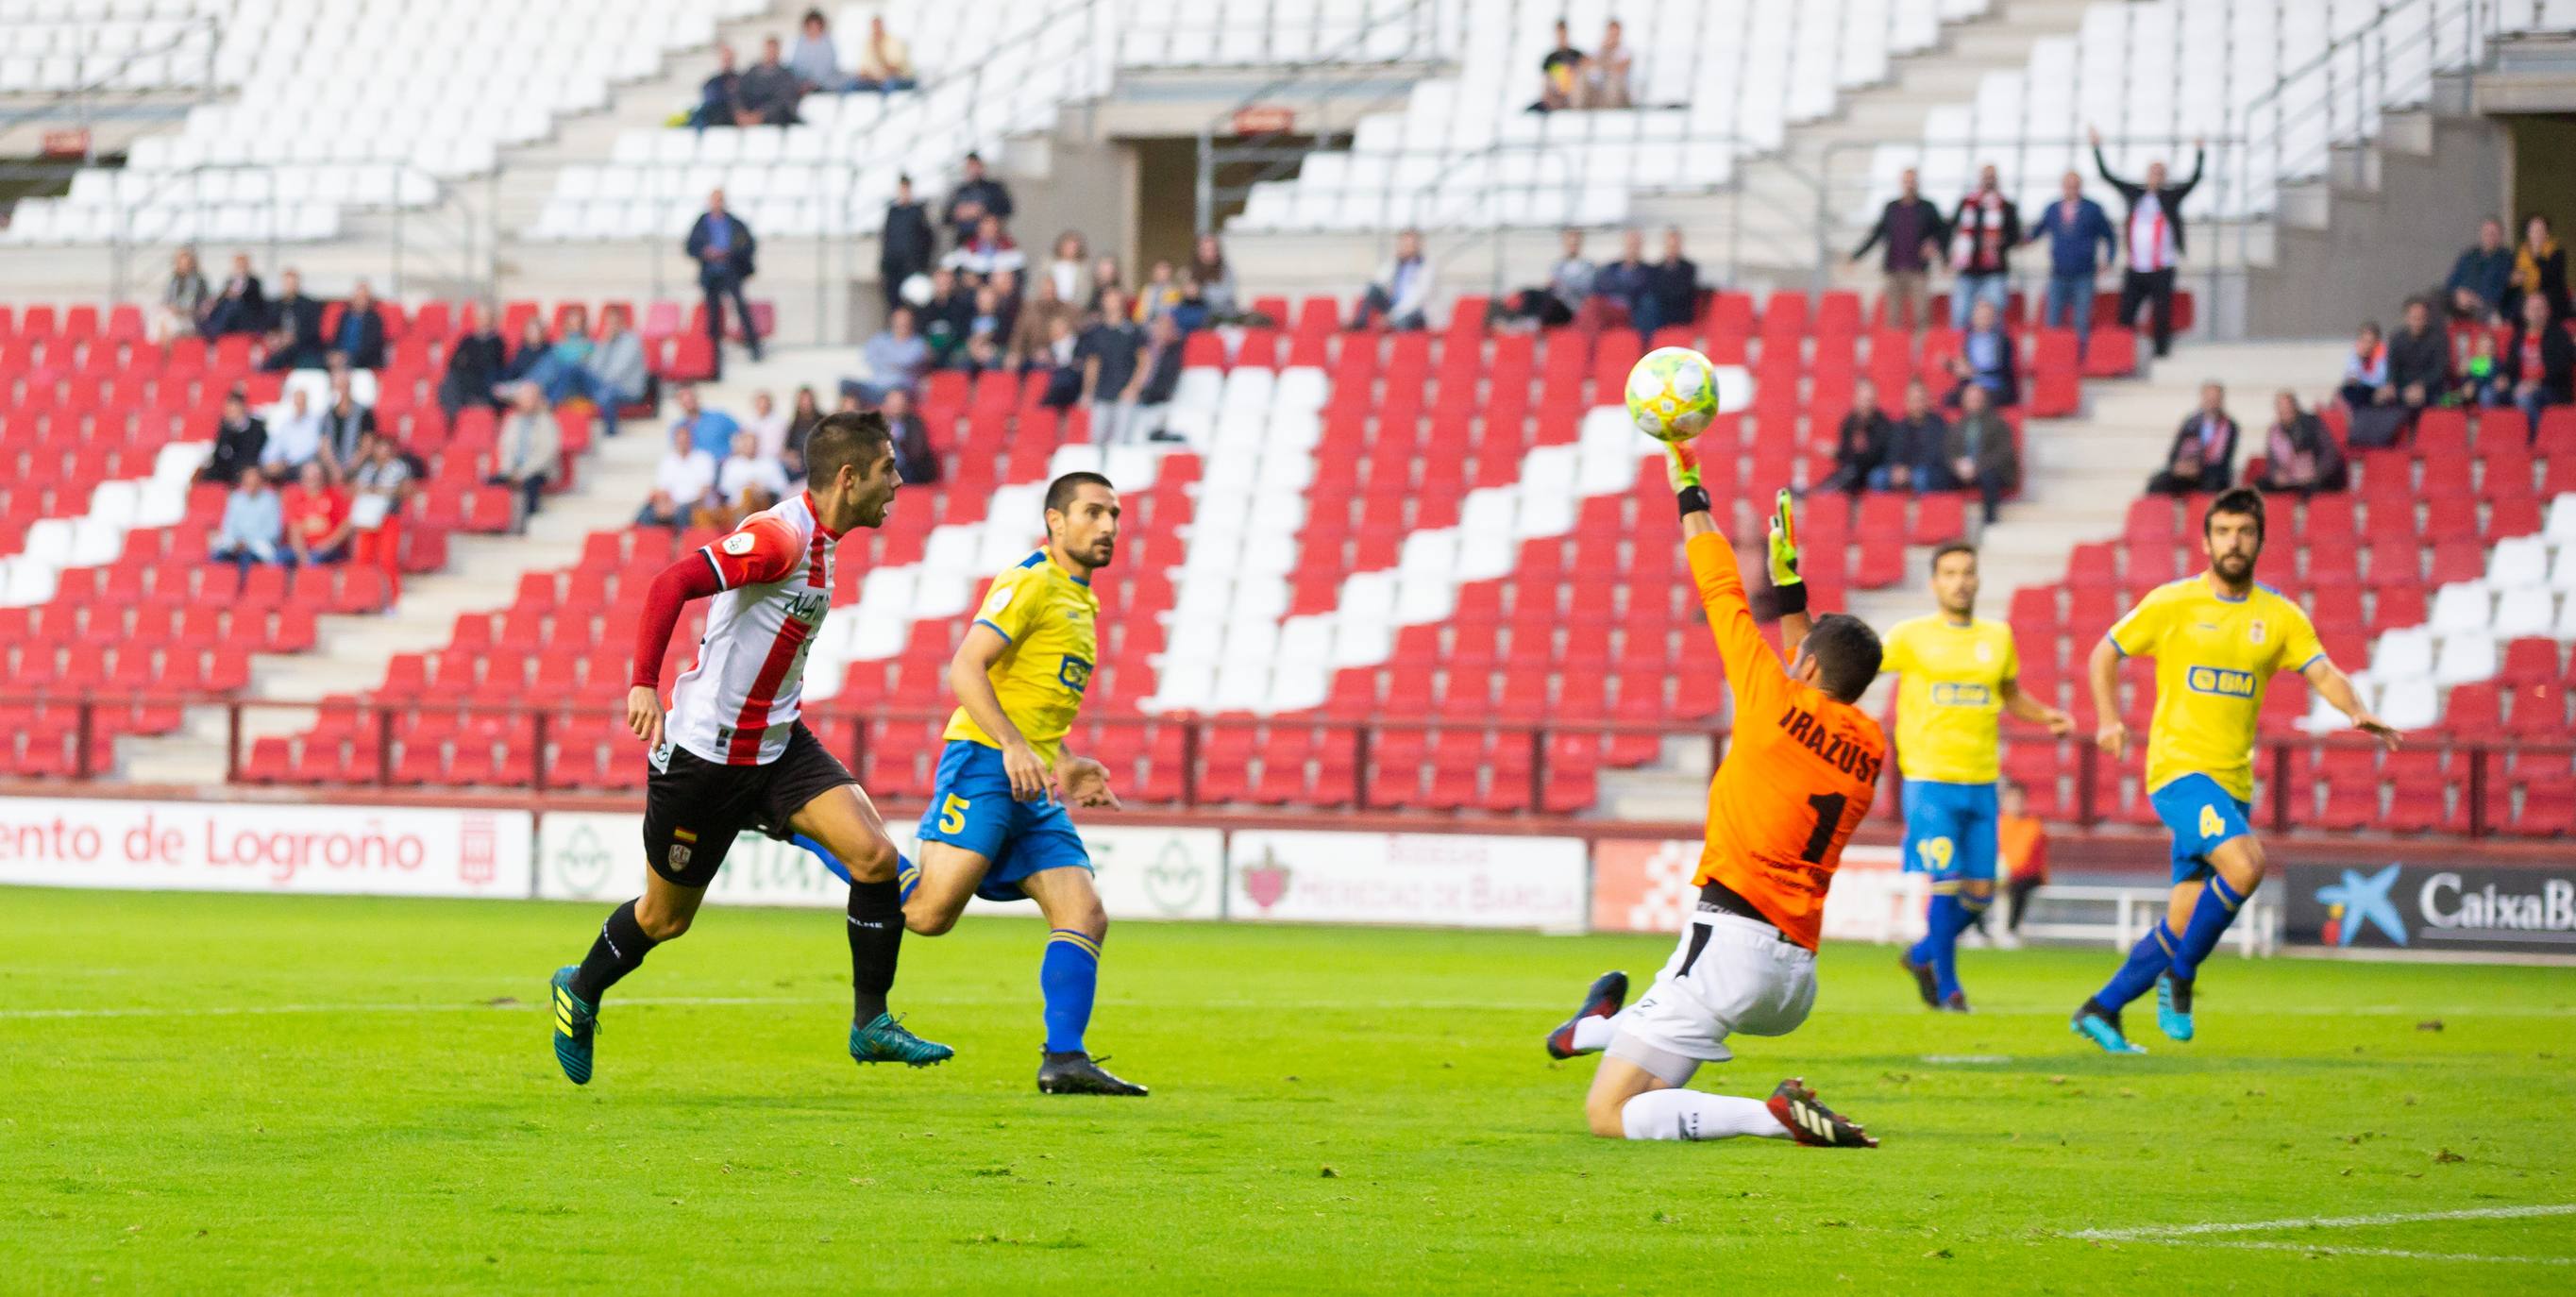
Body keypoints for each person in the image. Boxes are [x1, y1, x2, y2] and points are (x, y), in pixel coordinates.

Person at [547, 412, 952, 1086]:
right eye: (887, 470)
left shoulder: (824, 543)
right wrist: (643, 684)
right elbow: (670, 583)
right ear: (848, 478)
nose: (898, 481)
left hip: (779, 745)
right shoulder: (779, 537)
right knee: (664, 919)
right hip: (705, 759)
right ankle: (580, 988)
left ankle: (871, 1024)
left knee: (876, 859)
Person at [1544, 467, 1885, 1148]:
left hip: (1728, 947)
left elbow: (1719, 585)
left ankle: (1772, 1116)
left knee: (1608, 1115)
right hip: (1792, 981)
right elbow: (1814, 671)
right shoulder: (1869, 746)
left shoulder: (1770, 696)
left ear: (1806, 668)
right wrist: (1793, 596)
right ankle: (1589, 1032)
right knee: (1653, 1089)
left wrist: (1686, 481)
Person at [823, 470, 1141, 1096]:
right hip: (984, 762)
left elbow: (1032, 703)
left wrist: (1066, 762)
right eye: (1093, 512)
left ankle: (1065, 1060)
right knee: (927, 914)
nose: (1107, 526)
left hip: (1031, 782)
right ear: (1055, 521)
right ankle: (807, 826)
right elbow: (966, 668)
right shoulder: (1030, 581)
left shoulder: (1080, 598)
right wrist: (1016, 746)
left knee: (1084, 912)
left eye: (1114, 515)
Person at [2073, 488, 2399, 1053]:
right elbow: (2104, 653)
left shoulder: (2278, 616)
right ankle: (2181, 978)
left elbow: (2322, 670)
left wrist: (2354, 709)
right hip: (2178, 773)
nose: (2233, 542)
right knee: (2246, 866)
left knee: (2182, 921)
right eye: (2223, 531)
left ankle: (2100, 1008)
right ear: (2205, 541)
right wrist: (2108, 718)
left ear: (2260, 542)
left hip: (2232, 784)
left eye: (2244, 532)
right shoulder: (2172, 603)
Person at [1883, 542, 2074, 1012]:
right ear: (1934, 583)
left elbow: (2011, 694)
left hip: (1982, 782)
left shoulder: (1998, 637)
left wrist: (2043, 714)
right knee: (1945, 884)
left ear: (1978, 579)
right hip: (1930, 781)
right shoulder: (1910, 636)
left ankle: (1923, 956)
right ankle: (1950, 990)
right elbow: (1862, 666)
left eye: (1967, 572)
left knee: (1980, 897)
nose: (1960, 581)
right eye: (1949, 573)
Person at [2092, 129, 2206, 359]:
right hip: (2136, 268)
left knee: (2162, 313)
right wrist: (2097, 148)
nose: (2156, 176)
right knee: (2125, 315)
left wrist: (2199, 153)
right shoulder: (2135, 193)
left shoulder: (2171, 197)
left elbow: (2195, 179)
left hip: (2162, 267)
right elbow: (2108, 176)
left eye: (2160, 172)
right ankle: (2121, 357)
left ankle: (2161, 354)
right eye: (2153, 171)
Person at [2025, 170, 2115, 355]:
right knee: (2052, 320)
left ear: (2080, 186)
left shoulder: (2093, 209)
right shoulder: (2052, 208)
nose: (2071, 188)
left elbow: (2110, 236)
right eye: (2068, 184)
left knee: (2081, 321)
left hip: (2084, 275)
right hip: (2058, 273)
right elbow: (2037, 231)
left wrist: (2109, 260)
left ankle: (2078, 359)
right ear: (2063, 186)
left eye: (2075, 184)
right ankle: (2053, 357)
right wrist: (2016, 240)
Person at [1854, 168, 1947, 331]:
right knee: (1893, 317)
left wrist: (1936, 247)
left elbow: (1943, 231)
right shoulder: (1891, 208)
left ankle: (1922, 351)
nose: (1909, 185)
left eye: (1912, 181)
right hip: (1894, 268)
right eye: (1906, 181)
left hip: (1918, 269)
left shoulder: (1928, 208)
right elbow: (1877, 233)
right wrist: (1857, 255)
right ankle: (1895, 351)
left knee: (1922, 315)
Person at [684, 189, 762, 375]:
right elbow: (691, 245)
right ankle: (713, 353)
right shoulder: (702, 223)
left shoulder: (734, 223)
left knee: (740, 307)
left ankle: (753, 346)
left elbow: (747, 244)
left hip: (730, 270)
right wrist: (706, 252)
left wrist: (729, 253)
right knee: (713, 314)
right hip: (711, 273)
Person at [1947, 164, 2020, 331]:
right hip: (1967, 270)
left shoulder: (2006, 206)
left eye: (1992, 176)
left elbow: (2015, 236)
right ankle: (1960, 355)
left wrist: (2003, 242)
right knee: (1960, 316)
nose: (1988, 179)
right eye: (1986, 176)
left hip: (1994, 271)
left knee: (1993, 318)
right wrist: (1948, 256)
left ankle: (1993, 354)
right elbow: (1953, 229)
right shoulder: (1966, 203)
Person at [344, 431, 412, 595]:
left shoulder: (399, 468)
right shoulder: (368, 468)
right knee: (363, 559)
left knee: (387, 560)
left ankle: (392, 598)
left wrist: (386, 492)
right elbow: (350, 486)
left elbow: (407, 490)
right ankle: (363, 595)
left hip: (388, 516)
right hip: (368, 517)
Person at [1076, 289, 1146, 445]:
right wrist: (1087, 392)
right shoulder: (1096, 332)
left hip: (1125, 393)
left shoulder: (1133, 330)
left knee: (1122, 443)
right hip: (1102, 393)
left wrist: (1134, 387)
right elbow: (1092, 363)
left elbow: (1144, 361)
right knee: (1096, 441)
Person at [2147, 381, 2238, 495]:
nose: (2211, 402)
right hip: (2186, 472)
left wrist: (2198, 468)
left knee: (2213, 484)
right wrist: (2178, 466)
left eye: (2215, 399)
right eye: (2208, 398)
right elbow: (2174, 452)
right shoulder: (2191, 423)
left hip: (2211, 473)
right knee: (2158, 483)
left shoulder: (2229, 426)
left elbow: (2224, 460)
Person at [489, 383, 562, 523]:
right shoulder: (513, 420)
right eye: (523, 398)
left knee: (530, 483)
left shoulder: (546, 421)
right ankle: (494, 523)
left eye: (529, 398)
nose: (526, 402)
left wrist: (523, 472)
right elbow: (506, 448)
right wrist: (509, 471)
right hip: (513, 469)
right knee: (492, 483)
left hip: (538, 470)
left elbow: (546, 453)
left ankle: (530, 522)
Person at [1945, 383, 2017, 523]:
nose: (1973, 403)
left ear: (1984, 400)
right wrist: (1958, 466)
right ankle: (1946, 523)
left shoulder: (1998, 423)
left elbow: (2003, 453)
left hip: (1989, 470)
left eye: (1976, 399)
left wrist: (1976, 466)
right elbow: (1949, 452)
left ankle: (1990, 522)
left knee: (1989, 476)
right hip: (1963, 471)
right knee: (1940, 477)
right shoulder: (1957, 426)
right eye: (1970, 399)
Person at [2505, 292, 2576, 434]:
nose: (2536, 313)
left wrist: (2537, 382)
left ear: (2547, 311)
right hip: (2521, 385)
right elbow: (2510, 367)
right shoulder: (2518, 337)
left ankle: (2538, 439)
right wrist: (2503, 377)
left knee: (2524, 398)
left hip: (2551, 388)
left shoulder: (2559, 335)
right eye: (2532, 309)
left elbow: (2561, 367)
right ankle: (2503, 440)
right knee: (2488, 393)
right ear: (2525, 312)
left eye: (2540, 308)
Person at [2250, 390, 2347, 496]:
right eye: (2280, 408)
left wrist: (2315, 473)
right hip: (2290, 478)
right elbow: (2272, 463)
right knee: (2260, 486)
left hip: (2315, 477)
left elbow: (2330, 454)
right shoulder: (2275, 432)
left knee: (2311, 489)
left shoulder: (2312, 424)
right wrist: (2276, 475)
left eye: (2286, 408)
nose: (2283, 412)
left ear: (2294, 407)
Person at [1815, 377, 1892, 497]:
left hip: (1872, 470)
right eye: (1863, 399)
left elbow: (1873, 456)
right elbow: (1847, 455)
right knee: (1847, 472)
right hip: (1853, 470)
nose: (1866, 404)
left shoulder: (1883, 424)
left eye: (1869, 400)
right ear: (1856, 399)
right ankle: (1818, 492)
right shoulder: (1849, 423)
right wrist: (1838, 453)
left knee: (1859, 474)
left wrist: (1838, 452)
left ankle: (1820, 492)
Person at [1506, 227, 1594, 328]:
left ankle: (1534, 323)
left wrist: (1562, 286)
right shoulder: (1558, 265)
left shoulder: (1588, 266)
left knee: (1553, 300)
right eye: (1569, 243)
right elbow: (1550, 284)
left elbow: (1585, 289)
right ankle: (1521, 320)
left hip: (1570, 305)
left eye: (1575, 244)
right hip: (1555, 298)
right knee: (1529, 292)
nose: (1572, 246)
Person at [584, 304, 648, 434]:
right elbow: (592, 367)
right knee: (573, 372)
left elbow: (617, 372)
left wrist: (595, 385)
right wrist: (604, 344)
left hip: (627, 389)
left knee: (605, 395)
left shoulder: (631, 341)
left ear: (622, 323)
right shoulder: (605, 341)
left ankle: (611, 432)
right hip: (606, 385)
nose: (611, 326)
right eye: (608, 323)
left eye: (615, 322)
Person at [1353, 227, 1433, 330]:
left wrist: (1391, 317)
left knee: (1403, 321)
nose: (1407, 248)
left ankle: (1403, 342)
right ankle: (1360, 324)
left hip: (1413, 312)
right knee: (1373, 289)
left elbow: (1417, 299)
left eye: (1410, 245)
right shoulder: (1395, 264)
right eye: (1404, 245)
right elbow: (1378, 281)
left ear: (1418, 246)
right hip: (1394, 307)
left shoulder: (1426, 267)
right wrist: (1395, 262)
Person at [1996, 782, 2049, 939]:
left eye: (2019, 800)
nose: (2015, 804)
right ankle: (1978, 931)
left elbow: (2032, 858)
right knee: (1975, 884)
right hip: (1999, 872)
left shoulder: (2033, 825)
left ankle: (2011, 930)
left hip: (2025, 874)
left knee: (2019, 885)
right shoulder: (1996, 823)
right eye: (2012, 799)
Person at [848, 306, 931, 403]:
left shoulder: (918, 343)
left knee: (897, 394)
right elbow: (869, 358)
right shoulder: (879, 339)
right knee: (846, 387)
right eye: (899, 320)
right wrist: (894, 364)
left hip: (901, 388)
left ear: (911, 322)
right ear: (892, 321)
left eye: (905, 320)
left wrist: (885, 361)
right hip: (876, 387)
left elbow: (908, 363)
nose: (902, 323)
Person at [209, 473, 287, 578]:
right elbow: (228, 526)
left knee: (247, 559)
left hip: (259, 548)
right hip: (235, 545)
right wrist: (235, 542)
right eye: (248, 483)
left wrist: (247, 543)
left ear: (261, 483)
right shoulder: (236, 499)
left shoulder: (270, 501)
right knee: (218, 557)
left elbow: (273, 532)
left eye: (254, 483)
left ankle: (244, 589)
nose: (251, 486)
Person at [1946, 296, 2018, 408]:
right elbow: (1963, 368)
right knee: (1947, 400)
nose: (1983, 319)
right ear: (1973, 318)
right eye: (1980, 316)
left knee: (1980, 399)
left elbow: (2005, 369)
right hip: (1970, 386)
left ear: (1994, 319)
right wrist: (1951, 365)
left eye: (1987, 316)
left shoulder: (2003, 341)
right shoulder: (1968, 340)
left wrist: (1975, 372)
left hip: (1995, 387)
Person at [640, 425, 718, 527]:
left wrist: (679, 505)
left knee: (682, 512)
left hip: (695, 504)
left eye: (685, 439)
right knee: (646, 512)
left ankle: (682, 541)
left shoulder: (703, 459)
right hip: (672, 504)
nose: (683, 443)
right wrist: (664, 505)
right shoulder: (668, 461)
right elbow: (662, 489)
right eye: (680, 440)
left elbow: (705, 491)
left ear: (691, 439)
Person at [438, 308, 509, 418]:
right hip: (465, 378)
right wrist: (467, 361)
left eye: (486, 317)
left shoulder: (497, 341)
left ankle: (475, 406)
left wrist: (467, 361)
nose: (483, 320)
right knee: (449, 380)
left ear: (491, 319)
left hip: (486, 379)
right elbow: (454, 362)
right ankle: (457, 419)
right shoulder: (467, 339)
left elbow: (491, 362)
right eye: (480, 317)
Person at [1877, 379, 1946, 491]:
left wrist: (1909, 471)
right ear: (1907, 402)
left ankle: (1925, 507)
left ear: (1927, 401)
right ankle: (1887, 508)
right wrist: (1895, 468)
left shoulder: (1938, 424)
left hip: (1930, 472)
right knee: (1877, 477)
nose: (1917, 404)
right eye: (1913, 400)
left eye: (1920, 400)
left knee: (1919, 477)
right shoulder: (1899, 426)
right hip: (1904, 471)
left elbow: (1934, 456)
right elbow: (1892, 452)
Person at [880, 175, 935, 312]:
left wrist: (921, 263)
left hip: (912, 266)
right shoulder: (893, 211)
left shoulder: (917, 211)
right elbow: (887, 237)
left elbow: (927, 238)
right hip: (893, 265)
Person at [2384, 295, 2450, 411]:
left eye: (2421, 318)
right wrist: (2391, 383)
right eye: (2414, 318)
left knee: (2445, 401)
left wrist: (2421, 386)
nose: (2418, 322)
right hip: (2403, 388)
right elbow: (2392, 367)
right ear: (2407, 318)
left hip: (2430, 389)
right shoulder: (2397, 339)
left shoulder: (2438, 339)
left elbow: (2439, 370)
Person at [2447, 217, 2516, 323]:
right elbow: (2451, 283)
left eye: (2494, 233)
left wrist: (2474, 300)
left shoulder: (2506, 259)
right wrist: (2458, 294)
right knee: (2435, 301)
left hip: (2485, 306)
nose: (2490, 237)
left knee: (2491, 315)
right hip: (2459, 303)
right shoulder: (2469, 255)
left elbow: (2501, 289)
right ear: (2481, 234)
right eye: (2487, 233)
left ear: (2501, 236)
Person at [714, 429, 789, 523]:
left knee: (753, 495)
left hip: (764, 504)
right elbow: (724, 490)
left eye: (753, 444)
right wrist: (746, 485)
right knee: (747, 493)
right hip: (737, 507)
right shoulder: (731, 464)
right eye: (747, 444)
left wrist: (762, 488)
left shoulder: (770, 462)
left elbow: (781, 487)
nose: (750, 447)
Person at [1008, 274, 1080, 371]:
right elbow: (1019, 336)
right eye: (1046, 291)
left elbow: (1071, 337)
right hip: (1030, 355)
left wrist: (1050, 352)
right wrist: (1015, 353)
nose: (1048, 294)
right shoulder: (1029, 310)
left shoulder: (1068, 310)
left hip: (1058, 357)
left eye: (1051, 291)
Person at [284, 460, 350, 566]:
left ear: (323, 477)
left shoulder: (334, 496)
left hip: (329, 548)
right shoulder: (297, 498)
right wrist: (302, 555)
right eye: (308, 477)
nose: (312, 480)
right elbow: (295, 530)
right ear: (302, 479)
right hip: (304, 547)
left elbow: (346, 525)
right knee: (278, 558)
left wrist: (327, 545)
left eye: (316, 477)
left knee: (315, 559)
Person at [259, 268, 327, 371]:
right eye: (287, 283)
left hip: (303, 346)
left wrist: (293, 338)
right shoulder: (274, 305)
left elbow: (313, 331)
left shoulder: (310, 305)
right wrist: (276, 338)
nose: (290, 286)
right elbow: (267, 327)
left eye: (292, 283)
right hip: (280, 346)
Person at [1639, 227, 1698, 337]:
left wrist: (1665, 291)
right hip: (1660, 311)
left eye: (1675, 245)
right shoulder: (1655, 268)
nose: (1672, 248)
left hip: (1679, 311)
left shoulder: (1688, 268)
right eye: (1669, 245)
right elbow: (1654, 289)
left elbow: (1682, 292)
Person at [944, 152, 1015, 244]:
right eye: (969, 166)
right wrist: (959, 213)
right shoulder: (959, 191)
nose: (972, 170)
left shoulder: (994, 188)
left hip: (989, 242)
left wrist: (981, 210)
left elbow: (1006, 208)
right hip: (964, 241)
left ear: (982, 167)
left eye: (975, 165)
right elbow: (946, 218)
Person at [200, 390, 267, 486]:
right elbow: (219, 454)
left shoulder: (256, 428)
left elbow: (256, 454)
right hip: (226, 471)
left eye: (233, 408)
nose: (229, 412)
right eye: (227, 408)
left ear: (242, 407)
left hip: (248, 469)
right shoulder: (224, 428)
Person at [2510, 213, 2568, 320]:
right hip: (2526, 300)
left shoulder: (2557, 253)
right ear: (2528, 233)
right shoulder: (2520, 255)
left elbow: (2552, 278)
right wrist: (2515, 281)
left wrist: (2537, 256)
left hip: (2552, 302)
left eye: (2541, 230)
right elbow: (2514, 285)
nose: (2538, 234)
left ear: (2547, 234)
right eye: (2534, 230)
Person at [1591, 227, 1651, 327]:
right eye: (1630, 244)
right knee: (1592, 302)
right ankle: (1587, 341)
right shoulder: (1612, 267)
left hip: (1632, 309)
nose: (1632, 247)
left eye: (1635, 244)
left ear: (1640, 246)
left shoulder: (1648, 270)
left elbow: (1641, 292)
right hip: (1610, 306)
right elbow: (1600, 288)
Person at [736, 36, 802, 126]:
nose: (771, 53)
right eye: (769, 50)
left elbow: (783, 100)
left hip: (774, 119)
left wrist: (761, 115)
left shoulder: (786, 75)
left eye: (773, 50)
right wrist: (740, 112)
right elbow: (738, 93)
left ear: (778, 52)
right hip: (748, 116)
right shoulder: (751, 73)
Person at [261, 388, 324, 481]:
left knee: (310, 469)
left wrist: (289, 462)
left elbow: (314, 448)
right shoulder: (286, 425)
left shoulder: (316, 421)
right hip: (286, 466)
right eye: (297, 401)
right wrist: (270, 462)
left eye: (302, 401)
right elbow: (273, 448)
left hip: (306, 464)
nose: (299, 405)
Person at [318, 370, 375, 472]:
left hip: (358, 465)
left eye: (345, 385)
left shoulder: (364, 413)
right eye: (339, 386)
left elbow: (367, 444)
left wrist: (351, 467)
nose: (342, 389)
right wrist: (334, 468)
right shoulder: (328, 415)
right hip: (333, 467)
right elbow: (324, 445)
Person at [881, 386, 938, 485]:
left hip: (912, 469)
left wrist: (899, 439)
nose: (895, 405)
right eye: (892, 402)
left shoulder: (914, 422)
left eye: (898, 401)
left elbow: (916, 452)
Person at [668, 382, 741, 460]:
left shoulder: (719, 418)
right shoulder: (678, 429)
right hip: (695, 470)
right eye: (682, 396)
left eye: (690, 395)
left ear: (697, 397)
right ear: (677, 401)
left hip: (723, 467)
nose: (687, 399)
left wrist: (734, 455)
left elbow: (744, 435)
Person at [152, 248, 210, 345]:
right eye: (181, 263)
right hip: (174, 316)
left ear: (192, 264)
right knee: (161, 319)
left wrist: (183, 310)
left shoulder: (200, 281)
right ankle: (165, 353)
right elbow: (166, 300)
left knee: (166, 325)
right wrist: (171, 308)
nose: (183, 266)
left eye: (186, 263)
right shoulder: (174, 280)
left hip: (191, 318)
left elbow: (203, 306)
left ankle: (166, 356)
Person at [201, 252, 266, 337]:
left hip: (245, 313)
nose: (240, 267)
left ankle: (216, 330)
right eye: (238, 265)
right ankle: (210, 328)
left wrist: (234, 295)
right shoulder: (229, 280)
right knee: (208, 307)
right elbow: (221, 297)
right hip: (230, 314)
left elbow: (252, 299)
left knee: (233, 304)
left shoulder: (254, 281)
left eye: (242, 264)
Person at [789, 8, 850, 93]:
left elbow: (827, 67)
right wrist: (804, 82)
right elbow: (796, 65)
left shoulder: (828, 43)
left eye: (816, 26)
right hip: (802, 84)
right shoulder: (800, 42)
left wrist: (814, 83)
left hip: (824, 84)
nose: (813, 29)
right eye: (811, 26)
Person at [331, 278, 388, 370]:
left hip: (363, 359)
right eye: (358, 297)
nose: (360, 300)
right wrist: (333, 353)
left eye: (363, 297)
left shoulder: (374, 318)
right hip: (342, 357)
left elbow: (371, 346)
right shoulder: (345, 316)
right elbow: (337, 339)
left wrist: (347, 356)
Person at [852, 15, 916, 92]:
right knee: (852, 84)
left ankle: (887, 103)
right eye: (873, 27)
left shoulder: (894, 42)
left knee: (888, 84)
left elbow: (894, 70)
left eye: (877, 26)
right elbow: (863, 70)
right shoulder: (868, 43)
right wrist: (870, 76)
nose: (876, 30)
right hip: (876, 80)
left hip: (901, 79)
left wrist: (878, 52)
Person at [1580, 18, 1632, 109]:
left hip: (1617, 93)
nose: (1613, 36)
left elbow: (1620, 68)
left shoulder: (1625, 51)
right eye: (1611, 33)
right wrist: (1603, 51)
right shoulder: (1600, 49)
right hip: (1598, 90)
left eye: (1615, 34)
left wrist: (1602, 63)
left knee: (1613, 80)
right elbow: (1584, 63)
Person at [693, 43, 746, 128]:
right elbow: (713, 103)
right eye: (725, 59)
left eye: (730, 59)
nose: (728, 62)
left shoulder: (742, 80)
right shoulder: (711, 83)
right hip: (719, 124)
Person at [1536, 19, 1583, 112]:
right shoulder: (1550, 58)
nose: (1561, 37)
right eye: (1559, 34)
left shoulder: (1576, 54)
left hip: (1574, 94)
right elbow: (1545, 81)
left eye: (1563, 34)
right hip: (1557, 94)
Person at [2337, 322, 2387, 410]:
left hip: (2375, 390)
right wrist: (2360, 359)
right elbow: (2351, 376)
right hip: (2360, 389)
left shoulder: (2381, 355)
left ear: (2377, 343)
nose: (2367, 345)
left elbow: (2379, 380)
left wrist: (2361, 378)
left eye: (2370, 342)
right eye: (2364, 341)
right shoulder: (2356, 353)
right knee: (2346, 391)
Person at [1191, 233, 1238, 322]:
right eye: (1205, 250)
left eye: (1212, 249)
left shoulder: (1226, 271)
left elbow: (1227, 295)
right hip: (1196, 318)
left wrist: (1200, 293)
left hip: (1223, 317)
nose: (1209, 253)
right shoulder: (1191, 271)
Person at [783, 385, 824, 478]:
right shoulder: (794, 424)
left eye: (808, 399)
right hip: (798, 466)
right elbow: (787, 449)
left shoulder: (823, 421)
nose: (806, 403)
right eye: (803, 400)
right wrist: (791, 458)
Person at [745, 389, 790, 463]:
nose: (763, 406)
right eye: (760, 403)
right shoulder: (749, 422)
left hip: (775, 460)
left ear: (770, 404)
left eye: (765, 403)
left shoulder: (780, 422)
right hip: (753, 460)